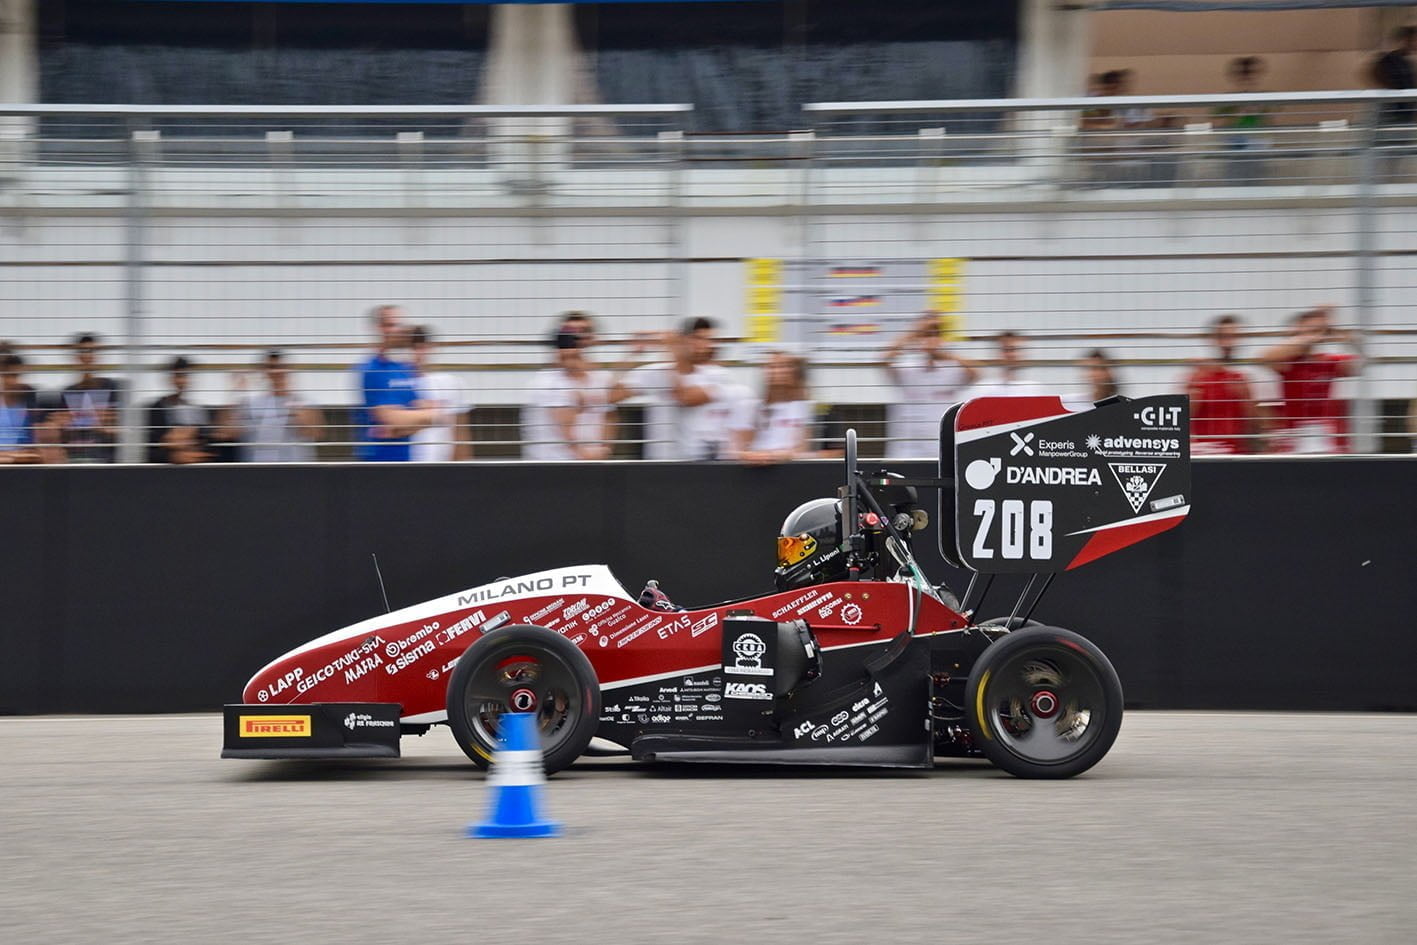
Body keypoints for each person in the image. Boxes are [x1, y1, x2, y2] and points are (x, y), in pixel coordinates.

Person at [610, 316, 738, 461]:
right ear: (684, 340)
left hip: (700, 461)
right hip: (659, 461)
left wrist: (674, 353)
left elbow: (686, 398)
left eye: (710, 340)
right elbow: (613, 396)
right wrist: (630, 355)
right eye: (698, 338)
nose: (707, 345)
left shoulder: (718, 375)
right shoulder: (656, 372)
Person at [1258, 306, 1361, 454]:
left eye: (1319, 330)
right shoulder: (1289, 362)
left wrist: (1339, 332)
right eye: (1310, 329)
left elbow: (1359, 366)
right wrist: (1309, 337)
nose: (1315, 334)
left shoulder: (1328, 361)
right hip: (1295, 435)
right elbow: (1265, 357)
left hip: (1324, 435)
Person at [882, 311, 976, 458]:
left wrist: (942, 354)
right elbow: (885, 359)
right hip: (907, 450)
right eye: (926, 335)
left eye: (935, 334)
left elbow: (975, 372)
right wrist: (914, 333)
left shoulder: (951, 370)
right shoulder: (908, 369)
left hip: (938, 449)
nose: (931, 339)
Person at [353, 304, 441, 462]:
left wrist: (400, 426)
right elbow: (390, 418)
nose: (397, 330)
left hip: (405, 461)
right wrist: (423, 417)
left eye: (400, 324)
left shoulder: (403, 368)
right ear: (379, 328)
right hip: (376, 463)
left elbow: (428, 415)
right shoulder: (371, 369)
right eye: (391, 325)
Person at [523, 312, 614, 461]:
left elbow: (609, 415)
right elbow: (565, 424)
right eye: (570, 333)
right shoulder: (547, 381)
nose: (578, 338)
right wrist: (585, 455)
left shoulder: (601, 378)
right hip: (553, 463)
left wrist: (604, 450)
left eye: (584, 331)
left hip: (591, 464)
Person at [1184, 315, 1260, 455]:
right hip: (1208, 454)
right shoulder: (1199, 375)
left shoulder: (1244, 375)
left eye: (1234, 337)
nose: (1228, 343)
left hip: (1237, 455)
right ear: (1213, 340)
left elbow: (1255, 425)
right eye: (1223, 337)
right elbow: (1181, 419)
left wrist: (1245, 397)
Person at [228, 349, 322, 463]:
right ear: (263, 372)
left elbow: (313, 432)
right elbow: (228, 433)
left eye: (281, 367)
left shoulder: (303, 401)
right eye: (271, 367)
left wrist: (289, 397)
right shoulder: (250, 403)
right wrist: (237, 391)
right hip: (256, 469)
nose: (276, 372)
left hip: (294, 469)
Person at [729, 351, 815, 465]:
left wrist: (776, 456)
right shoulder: (749, 407)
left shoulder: (803, 408)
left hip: (787, 467)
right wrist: (751, 456)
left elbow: (801, 448)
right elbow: (737, 449)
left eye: (784, 366)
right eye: (772, 367)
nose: (778, 371)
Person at [54, 332, 121, 464]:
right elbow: (64, 430)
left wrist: (105, 425)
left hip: (105, 456)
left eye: (92, 351)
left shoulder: (112, 387)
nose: (88, 356)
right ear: (76, 356)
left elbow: (121, 426)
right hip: (75, 456)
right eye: (83, 351)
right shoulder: (68, 391)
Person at [408, 325, 471, 462]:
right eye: (412, 348)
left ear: (430, 348)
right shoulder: (395, 386)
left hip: (439, 468)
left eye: (421, 348)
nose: (417, 354)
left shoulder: (450, 383)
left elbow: (460, 435)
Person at [146, 356, 213, 464]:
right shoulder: (156, 408)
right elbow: (152, 445)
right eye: (178, 376)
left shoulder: (197, 410)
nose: (181, 381)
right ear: (170, 378)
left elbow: (205, 442)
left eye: (185, 376)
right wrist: (172, 454)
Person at [968, 331, 1047, 399]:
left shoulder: (1035, 389)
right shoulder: (983, 389)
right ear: (996, 354)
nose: (1012, 354)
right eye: (1006, 350)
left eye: (1016, 349)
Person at [0, 351, 43, 464]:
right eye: (8, 375)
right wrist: (14, 456)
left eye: (17, 376)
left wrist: (10, 457)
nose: (12, 381)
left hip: (23, 466)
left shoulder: (30, 405)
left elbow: (36, 452)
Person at [1372, 26, 1417, 127]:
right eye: (1414, 39)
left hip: (1406, 110)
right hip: (1395, 110)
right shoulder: (1391, 58)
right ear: (1407, 39)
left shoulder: (1406, 60)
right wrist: (1391, 89)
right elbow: (1374, 72)